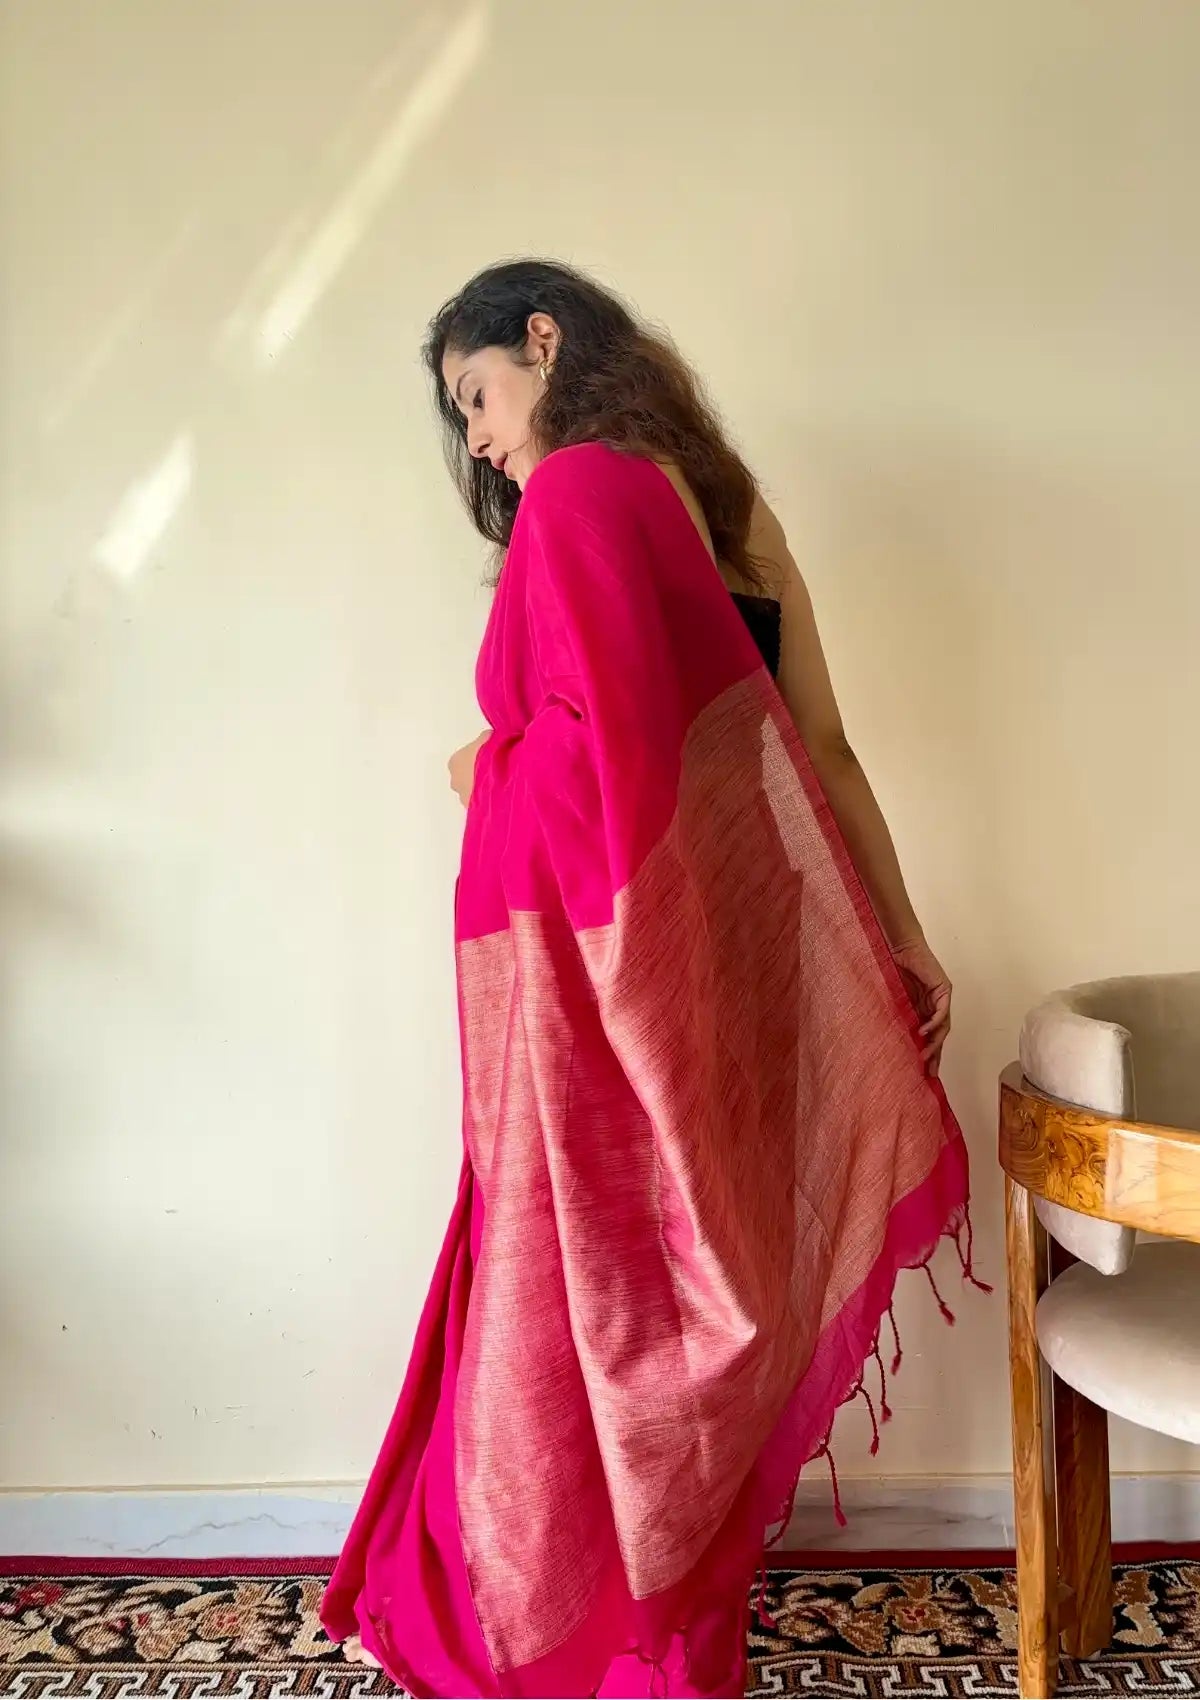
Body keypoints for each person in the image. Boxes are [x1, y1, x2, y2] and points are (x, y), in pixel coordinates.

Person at [321, 261, 976, 1698]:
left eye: (478, 395)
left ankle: (581, 1630)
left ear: (544, 340)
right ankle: (678, 1625)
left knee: (597, 1296)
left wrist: (483, 769)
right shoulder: (735, 514)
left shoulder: (578, 493)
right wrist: (902, 933)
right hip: (738, 957)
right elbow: (825, 751)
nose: (478, 438)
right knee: (705, 1285)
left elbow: (595, 758)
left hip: (622, 986)